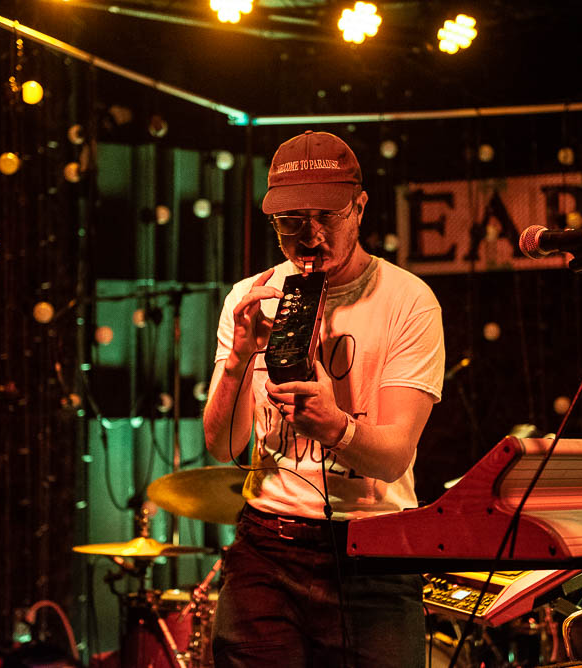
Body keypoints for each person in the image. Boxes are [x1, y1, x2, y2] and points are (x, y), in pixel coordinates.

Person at [203, 130, 445, 668]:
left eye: (326, 217)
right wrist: (238, 360)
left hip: (372, 552)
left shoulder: (409, 301)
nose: (308, 236)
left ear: (359, 207)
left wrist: (335, 427)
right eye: (291, 222)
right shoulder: (250, 296)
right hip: (268, 543)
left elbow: (394, 458)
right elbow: (222, 447)